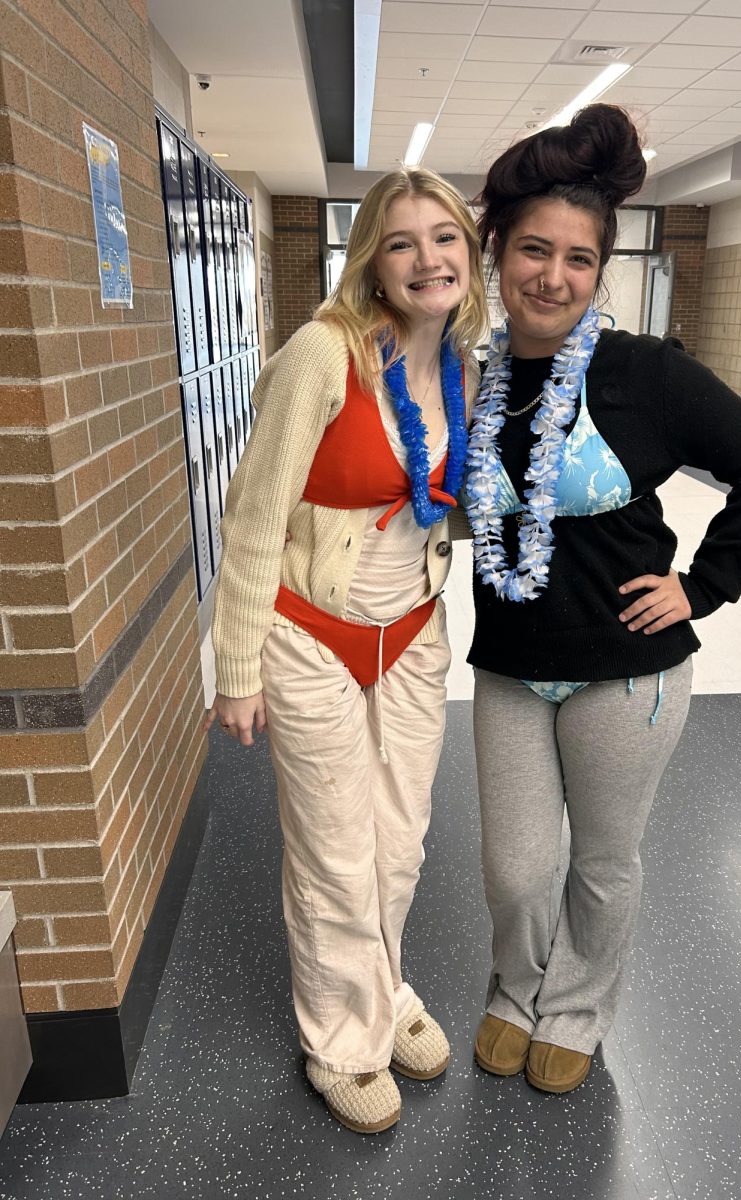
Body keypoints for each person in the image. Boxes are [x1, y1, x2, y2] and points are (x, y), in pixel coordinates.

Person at [464, 103, 741, 1095]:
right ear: (499, 250)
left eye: (579, 258)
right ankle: (515, 990)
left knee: (603, 864)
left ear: (599, 268)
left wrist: (704, 584)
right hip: (513, 663)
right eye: (534, 249)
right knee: (517, 871)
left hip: (629, 667)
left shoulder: (642, 373)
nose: (555, 276)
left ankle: (575, 1007)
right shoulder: (477, 376)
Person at [204, 167, 487, 1133]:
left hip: (412, 634)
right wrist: (236, 666)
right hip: (310, 629)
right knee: (332, 851)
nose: (426, 259)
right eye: (402, 242)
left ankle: (385, 989)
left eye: (443, 238)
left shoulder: (461, 362)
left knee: (398, 844)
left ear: (467, 252)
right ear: (371, 256)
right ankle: (340, 1039)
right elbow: (252, 519)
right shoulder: (321, 357)